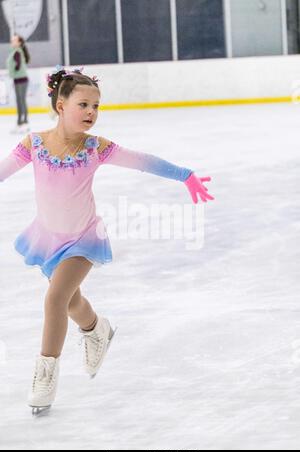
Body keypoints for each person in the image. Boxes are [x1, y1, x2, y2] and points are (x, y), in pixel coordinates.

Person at [0, 64, 214, 415]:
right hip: (48, 239)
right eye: (83, 105)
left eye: (96, 106)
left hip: (84, 239)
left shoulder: (95, 148)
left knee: (55, 300)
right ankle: (96, 329)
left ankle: (45, 374)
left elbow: (141, 161)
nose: (91, 113)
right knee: (70, 302)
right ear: (61, 105)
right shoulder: (34, 144)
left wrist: (184, 175)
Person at [6, 34, 30, 134]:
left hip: (21, 80)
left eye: (14, 40)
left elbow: (18, 65)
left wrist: (14, 72)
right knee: (19, 102)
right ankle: (20, 122)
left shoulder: (17, 52)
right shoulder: (15, 52)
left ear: (19, 42)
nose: (12, 41)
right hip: (17, 79)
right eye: (12, 40)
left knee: (21, 101)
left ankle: (24, 123)